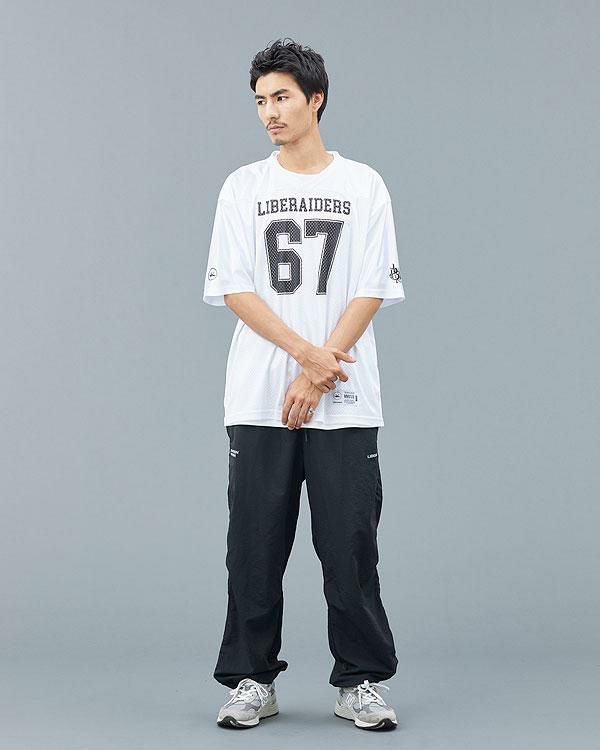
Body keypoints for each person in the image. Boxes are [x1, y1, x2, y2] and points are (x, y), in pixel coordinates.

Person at [203, 37, 406, 731]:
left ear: (315, 98)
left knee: (350, 542)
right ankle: (252, 678)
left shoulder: (363, 185)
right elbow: (235, 288)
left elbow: (373, 285)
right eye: (260, 100)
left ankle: (360, 680)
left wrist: (320, 373)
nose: (270, 111)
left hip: (346, 395)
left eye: (282, 97)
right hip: (259, 394)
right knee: (254, 543)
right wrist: (303, 358)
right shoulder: (242, 187)